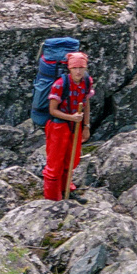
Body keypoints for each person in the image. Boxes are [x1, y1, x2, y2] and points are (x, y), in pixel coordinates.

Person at [42, 51, 92, 200]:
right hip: (58, 127)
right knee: (55, 164)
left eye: (81, 67)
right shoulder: (60, 84)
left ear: (85, 68)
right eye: (75, 68)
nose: (78, 71)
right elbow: (52, 110)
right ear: (69, 68)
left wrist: (86, 126)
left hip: (74, 126)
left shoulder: (87, 81)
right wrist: (71, 117)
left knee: (72, 159)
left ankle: (66, 191)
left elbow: (86, 103)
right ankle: (52, 199)